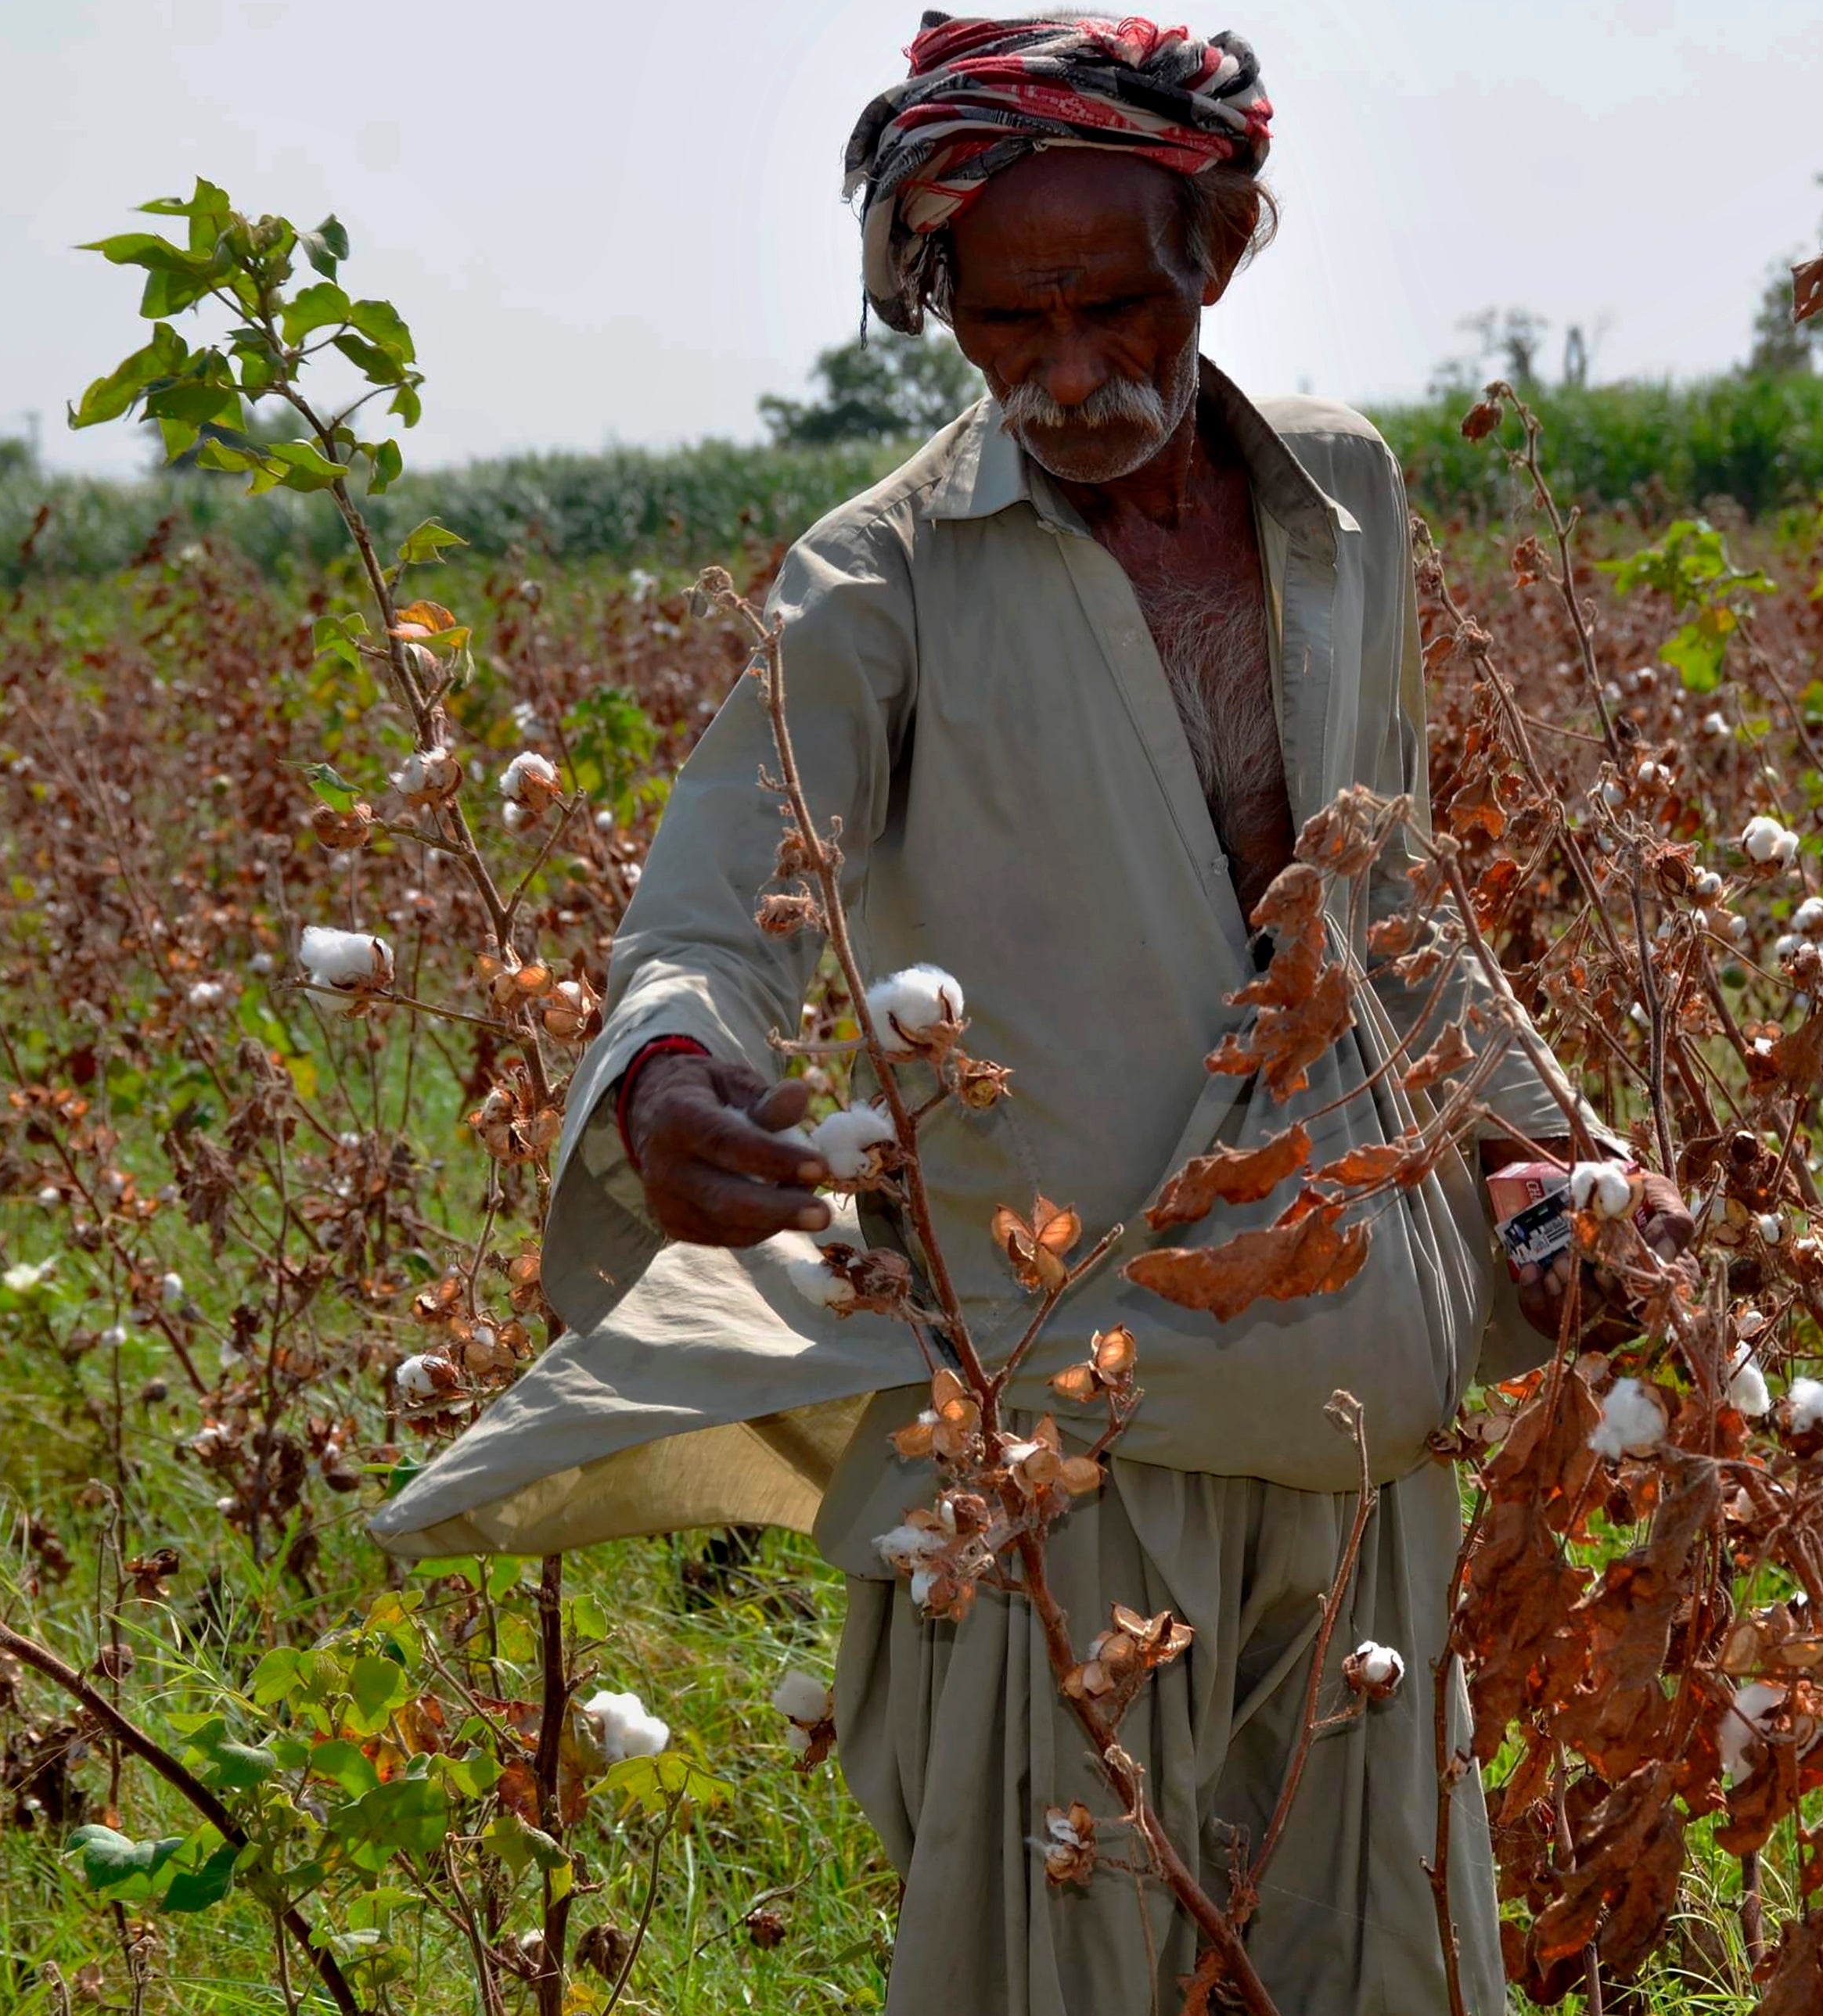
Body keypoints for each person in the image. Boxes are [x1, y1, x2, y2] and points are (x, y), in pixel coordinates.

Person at [372, 15, 1685, 2011]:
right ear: (940, 300)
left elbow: (1383, 888)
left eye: (1112, 308)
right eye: (1007, 324)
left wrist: (1539, 1158)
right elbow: (717, 898)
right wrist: (666, 1074)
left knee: (1384, 1974)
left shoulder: (1342, 500)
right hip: (1073, 1431)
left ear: (1221, 245)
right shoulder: (877, 578)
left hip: (1359, 1405)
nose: (1068, 376)